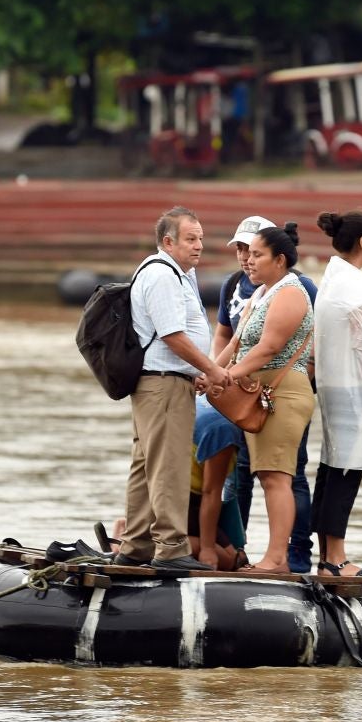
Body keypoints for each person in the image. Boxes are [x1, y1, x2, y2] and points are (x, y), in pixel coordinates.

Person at [119, 206, 228, 571]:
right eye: (191, 239)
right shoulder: (163, 274)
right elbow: (172, 335)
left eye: (201, 238)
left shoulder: (175, 273)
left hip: (163, 380)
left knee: (146, 465)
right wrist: (211, 368)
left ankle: (135, 545)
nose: (199, 246)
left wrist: (195, 371)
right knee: (169, 465)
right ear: (168, 242)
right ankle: (170, 549)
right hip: (163, 385)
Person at [213, 214, 320, 573]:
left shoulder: (291, 292)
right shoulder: (260, 293)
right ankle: (271, 556)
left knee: (278, 477)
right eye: (247, 253)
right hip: (259, 391)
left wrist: (226, 377)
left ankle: (277, 559)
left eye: (258, 254)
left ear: (280, 260)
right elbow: (236, 343)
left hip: (282, 392)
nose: (249, 261)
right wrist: (210, 374)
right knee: (266, 475)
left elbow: (268, 348)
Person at [312, 210, 362, 576]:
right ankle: (336, 558)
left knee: (330, 467)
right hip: (354, 386)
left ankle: (326, 555)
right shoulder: (355, 287)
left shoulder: (332, 280)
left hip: (331, 383)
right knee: (346, 470)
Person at [189, 395, 249, 570]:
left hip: (166, 497)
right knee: (229, 562)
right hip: (185, 503)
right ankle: (148, 544)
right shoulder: (224, 428)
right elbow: (210, 492)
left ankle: (135, 532)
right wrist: (207, 549)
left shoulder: (201, 401)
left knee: (237, 558)